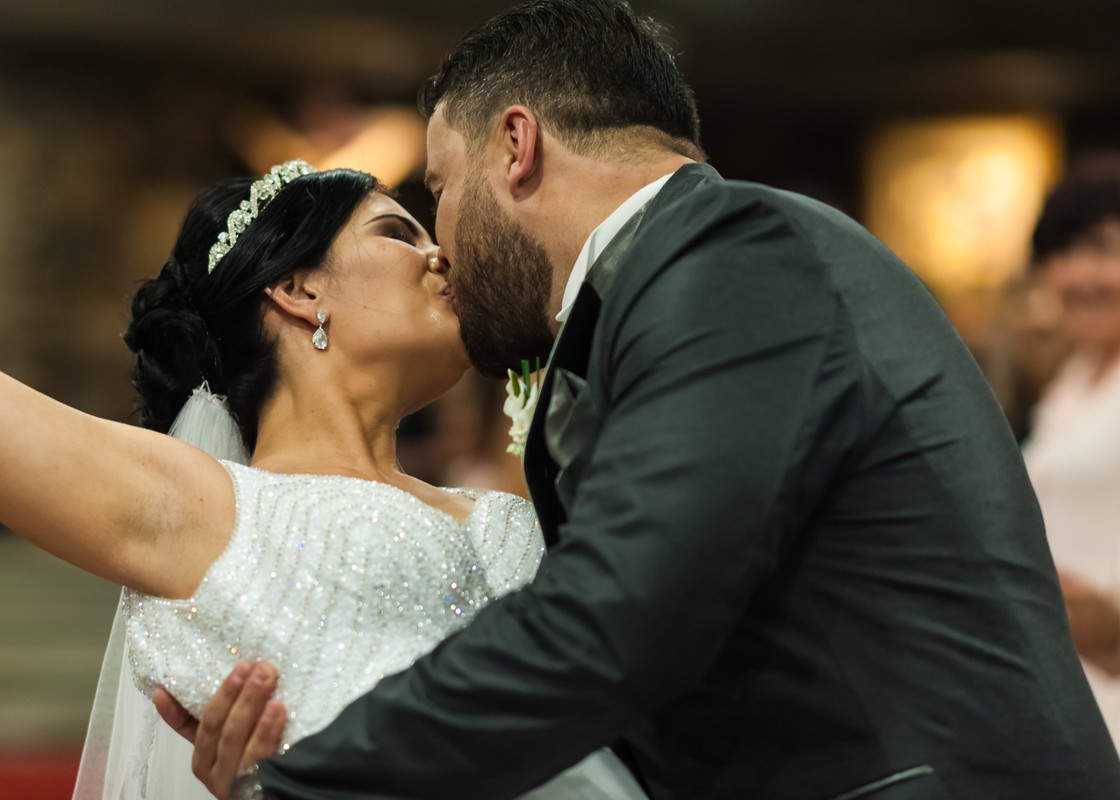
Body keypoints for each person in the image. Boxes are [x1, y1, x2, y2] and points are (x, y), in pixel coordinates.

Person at [169, 1, 1120, 799]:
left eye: (444, 191)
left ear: (516, 146)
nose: (442, 246)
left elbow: (619, 618)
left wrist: (301, 788)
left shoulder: (734, 255)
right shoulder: (676, 284)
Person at [0, 162, 647, 800]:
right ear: (297, 288)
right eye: (400, 233)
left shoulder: (510, 507)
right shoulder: (205, 509)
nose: (443, 258)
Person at [1024, 153, 1120, 750]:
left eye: (1102, 248)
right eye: (1060, 255)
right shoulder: (1070, 384)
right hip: (1071, 702)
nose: (1076, 275)